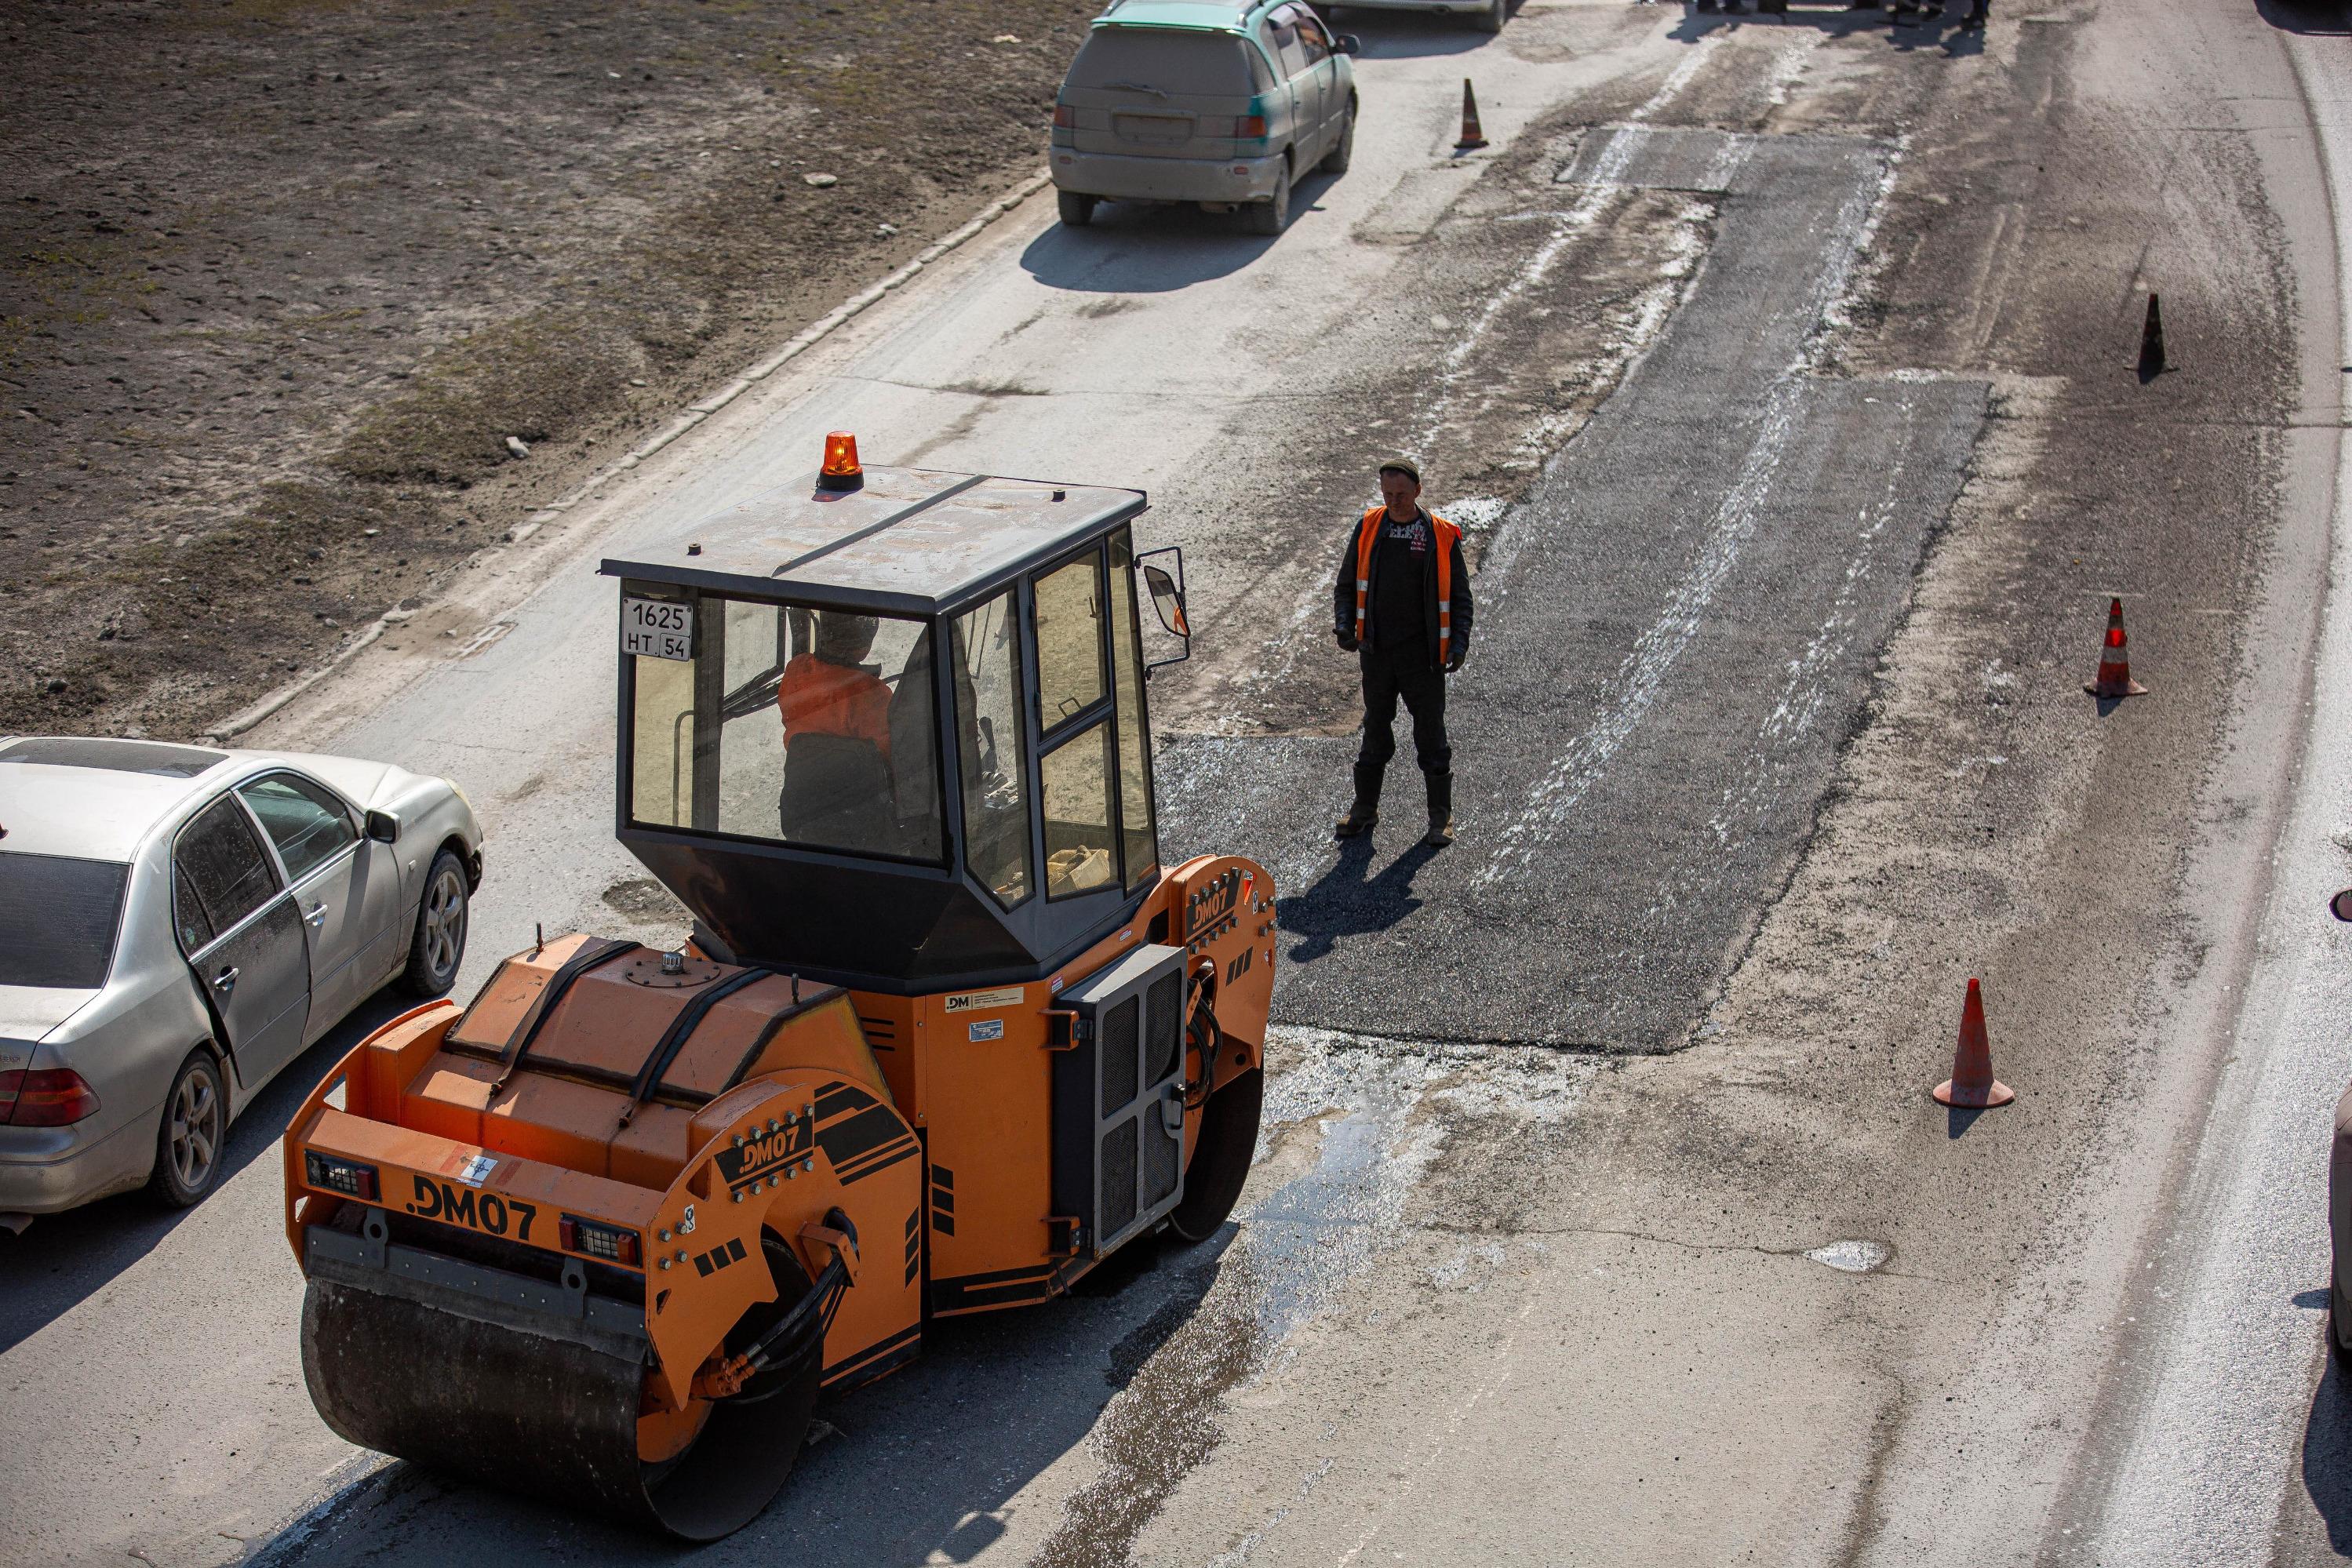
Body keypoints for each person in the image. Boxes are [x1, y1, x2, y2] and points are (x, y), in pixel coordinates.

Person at [1331, 458, 1473, 848]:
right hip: (1377, 655)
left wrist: (1458, 644)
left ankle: (1441, 817)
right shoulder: (1369, 527)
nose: (1393, 501)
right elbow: (1346, 586)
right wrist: (1346, 626)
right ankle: (1364, 809)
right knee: (1375, 730)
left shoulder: (1439, 535)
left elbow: (1460, 597)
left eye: (1401, 495)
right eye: (1387, 493)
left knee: (1431, 736)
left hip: (1423, 659)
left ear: (1418, 492)